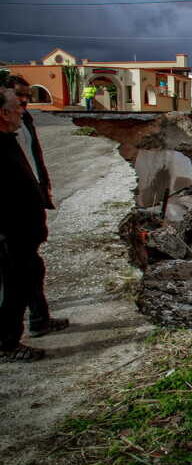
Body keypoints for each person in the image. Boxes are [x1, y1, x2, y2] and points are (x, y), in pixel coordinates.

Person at [7, 75, 69, 338]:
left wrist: (43, 186)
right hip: (11, 215)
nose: (24, 101)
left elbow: (34, 157)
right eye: (19, 95)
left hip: (29, 202)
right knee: (15, 276)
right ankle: (8, 340)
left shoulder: (25, 121)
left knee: (32, 268)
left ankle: (40, 318)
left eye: (27, 96)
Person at [0, 87, 48, 361]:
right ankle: (6, 344)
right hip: (10, 234)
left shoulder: (9, 139)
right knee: (11, 289)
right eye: (17, 106)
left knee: (29, 276)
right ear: (3, 113)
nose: (22, 110)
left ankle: (39, 321)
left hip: (23, 233)